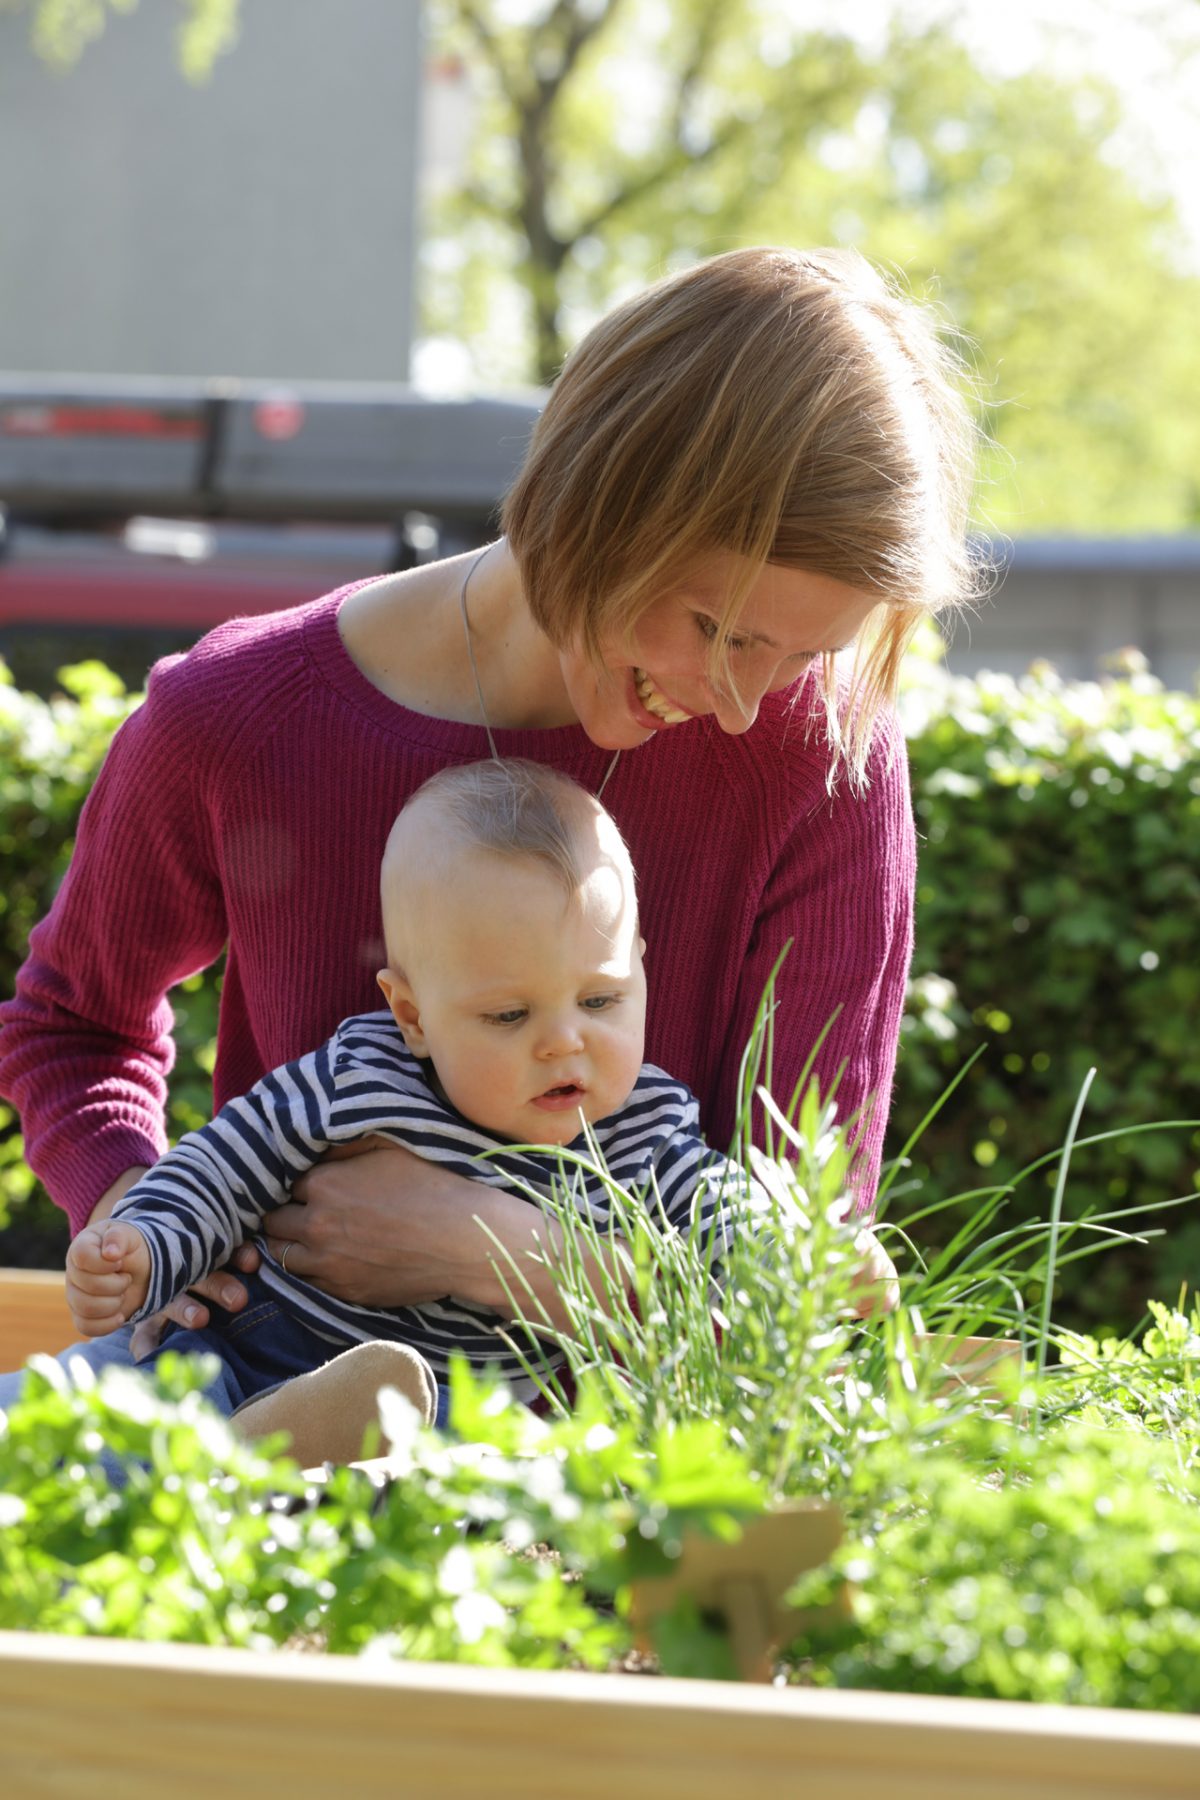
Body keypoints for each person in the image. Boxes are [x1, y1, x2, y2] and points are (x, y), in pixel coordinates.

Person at [0, 245, 977, 1389]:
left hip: (615, 1472)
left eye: (806, 652)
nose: (741, 700)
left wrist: (488, 1245)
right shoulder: (235, 717)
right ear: (603, 501)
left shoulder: (828, 761)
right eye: (722, 631)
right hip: (268, 1406)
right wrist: (149, 1223)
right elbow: (75, 1025)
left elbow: (790, 1260)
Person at [51, 761, 750, 1431]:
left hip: (443, 1411)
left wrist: (820, 1259)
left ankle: (277, 1465)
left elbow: (736, 1226)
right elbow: (224, 1165)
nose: (565, 1041)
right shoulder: (365, 1074)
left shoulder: (647, 1134)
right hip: (249, 1354)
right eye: (509, 1015)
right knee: (87, 1426)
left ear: (640, 973)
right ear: (412, 1017)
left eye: (601, 998)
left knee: (468, 1477)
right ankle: (244, 1450)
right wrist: (142, 1245)